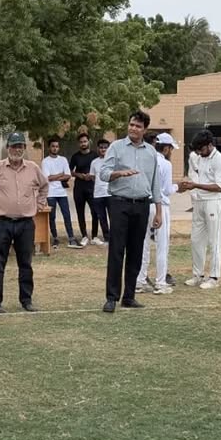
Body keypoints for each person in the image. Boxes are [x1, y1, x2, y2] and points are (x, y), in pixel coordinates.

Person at [0, 132, 49, 313]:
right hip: (3, 223)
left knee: (25, 264)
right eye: (14, 146)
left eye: (20, 146)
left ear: (24, 148)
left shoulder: (33, 168)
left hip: (26, 224)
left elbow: (44, 186)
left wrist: (40, 204)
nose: (17, 149)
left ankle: (26, 300)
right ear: (7, 148)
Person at [99, 111, 163, 312]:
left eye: (138, 126)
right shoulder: (116, 147)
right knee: (117, 251)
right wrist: (119, 173)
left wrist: (159, 211)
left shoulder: (151, 152)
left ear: (145, 130)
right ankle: (111, 297)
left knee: (136, 251)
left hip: (142, 206)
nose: (134, 128)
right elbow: (103, 173)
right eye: (132, 124)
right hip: (119, 204)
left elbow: (156, 183)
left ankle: (129, 296)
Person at [180, 128, 221, 289]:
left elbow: (219, 186)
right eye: (197, 150)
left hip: (213, 202)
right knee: (196, 240)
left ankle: (214, 277)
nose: (199, 153)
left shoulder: (220, 160)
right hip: (199, 201)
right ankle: (198, 275)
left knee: (214, 240)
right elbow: (202, 179)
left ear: (209, 145)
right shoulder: (200, 158)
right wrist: (190, 186)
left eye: (201, 149)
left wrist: (196, 185)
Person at [137, 133, 179, 295]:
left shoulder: (145, 159)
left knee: (144, 244)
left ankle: (140, 280)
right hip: (160, 206)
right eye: (171, 149)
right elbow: (166, 190)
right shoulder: (166, 164)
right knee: (162, 245)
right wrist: (178, 187)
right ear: (166, 148)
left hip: (144, 204)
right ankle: (161, 282)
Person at [41, 137, 79, 249]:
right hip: (51, 193)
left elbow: (68, 175)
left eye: (57, 146)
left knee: (67, 215)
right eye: (53, 146)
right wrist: (60, 174)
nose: (55, 148)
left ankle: (71, 237)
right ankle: (55, 238)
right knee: (51, 217)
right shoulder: (45, 161)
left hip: (62, 192)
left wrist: (56, 176)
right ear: (49, 148)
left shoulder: (63, 160)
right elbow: (47, 178)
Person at [70, 133, 97, 246]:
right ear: (78, 144)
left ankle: (94, 236)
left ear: (89, 142)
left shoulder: (95, 155)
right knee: (80, 213)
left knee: (95, 212)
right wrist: (79, 175)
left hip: (92, 187)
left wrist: (92, 175)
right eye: (81, 142)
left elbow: (100, 169)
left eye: (85, 141)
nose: (83, 144)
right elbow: (70, 171)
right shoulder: (75, 156)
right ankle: (84, 235)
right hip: (79, 188)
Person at [89, 138, 111, 245]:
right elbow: (93, 177)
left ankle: (115, 237)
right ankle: (107, 238)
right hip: (98, 194)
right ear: (98, 149)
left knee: (113, 217)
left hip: (110, 193)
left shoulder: (112, 161)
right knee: (102, 218)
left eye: (105, 148)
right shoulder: (94, 162)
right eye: (101, 147)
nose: (103, 150)